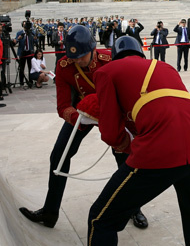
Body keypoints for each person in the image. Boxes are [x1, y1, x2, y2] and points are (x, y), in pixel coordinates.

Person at [87, 36, 190, 245]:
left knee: (100, 218)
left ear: (115, 55)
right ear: (141, 52)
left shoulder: (106, 71)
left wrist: (126, 144)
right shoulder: (165, 67)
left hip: (161, 147)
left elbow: (111, 133)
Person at [19, 26, 148, 230]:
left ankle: (133, 208)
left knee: (124, 158)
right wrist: (79, 115)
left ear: (93, 49)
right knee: (59, 155)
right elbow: (63, 106)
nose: (77, 61)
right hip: (83, 114)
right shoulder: (64, 66)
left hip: (112, 113)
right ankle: (50, 211)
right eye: (74, 57)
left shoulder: (109, 59)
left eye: (82, 56)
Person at [13, 21, 37, 87]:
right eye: (24, 25)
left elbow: (35, 41)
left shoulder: (31, 33)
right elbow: (15, 41)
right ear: (23, 26)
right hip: (22, 52)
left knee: (31, 67)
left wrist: (35, 39)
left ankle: (30, 81)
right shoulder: (19, 33)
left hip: (30, 52)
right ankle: (21, 82)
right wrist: (18, 38)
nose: (26, 26)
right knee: (21, 68)